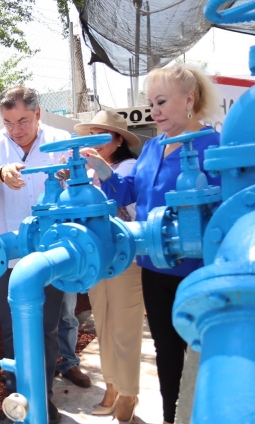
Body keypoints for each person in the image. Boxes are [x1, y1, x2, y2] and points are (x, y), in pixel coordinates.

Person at [84, 65, 220, 424]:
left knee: (202, 351)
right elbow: (130, 194)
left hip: (198, 270)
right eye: (150, 103)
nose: (154, 111)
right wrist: (104, 171)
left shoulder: (214, 146)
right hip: (154, 267)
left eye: (161, 102)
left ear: (189, 100)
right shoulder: (151, 148)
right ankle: (172, 416)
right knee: (166, 350)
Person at [0, 86, 72, 423]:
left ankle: (44, 401)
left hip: (51, 258)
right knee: (12, 332)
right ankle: (18, 407)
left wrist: (73, 174)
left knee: (46, 331)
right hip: (8, 260)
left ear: (38, 114)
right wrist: (0, 173)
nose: (16, 129)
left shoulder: (59, 140)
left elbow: (85, 181)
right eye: (9, 122)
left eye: (23, 120)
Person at [72, 110, 144, 423]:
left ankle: (128, 394)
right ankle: (112, 387)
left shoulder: (128, 168)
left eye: (103, 136)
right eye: (93, 135)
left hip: (125, 257)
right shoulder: (90, 173)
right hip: (98, 258)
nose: (97, 142)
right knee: (103, 324)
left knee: (125, 328)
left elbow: (133, 211)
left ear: (117, 140)